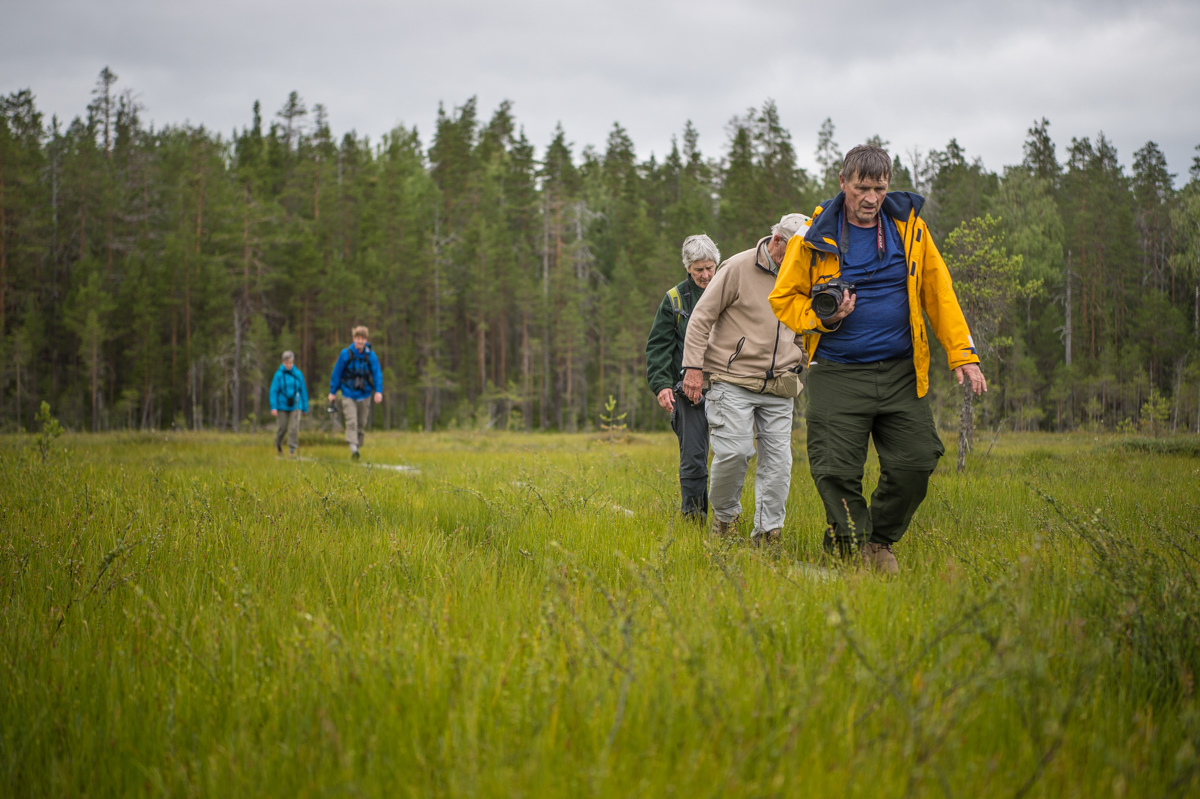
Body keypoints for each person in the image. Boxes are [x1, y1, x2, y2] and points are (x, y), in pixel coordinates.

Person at [769, 144, 987, 575]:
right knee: (835, 469)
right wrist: (823, 317)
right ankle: (849, 548)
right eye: (862, 188)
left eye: (880, 188)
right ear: (843, 182)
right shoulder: (812, 237)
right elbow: (783, 298)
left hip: (901, 371)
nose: (870, 198)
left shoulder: (911, 229)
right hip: (837, 371)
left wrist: (963, 354)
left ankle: (879, 539)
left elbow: (938, 293)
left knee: (917, 460)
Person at [680, 214, 810, 545]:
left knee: (779, 464)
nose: (803, 258)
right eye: (797, 250)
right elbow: (700, 319)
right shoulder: (737, 268)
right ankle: (724, 521)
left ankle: (768, 534)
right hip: (731, 379)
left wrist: (800, 358)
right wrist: (694, 368)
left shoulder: (804, 274)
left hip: (780, 383)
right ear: (778, 241)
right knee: (735, 453)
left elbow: (803, 325)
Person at [645, 234, 720, 521]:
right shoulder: (674, 299)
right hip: (688, 391)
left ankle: (725, 518)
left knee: (731, 456)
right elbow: (658, 346)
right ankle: (693, 519)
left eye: (710, 267)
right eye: (699, 269)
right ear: (687, 267)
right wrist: (661, 385)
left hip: (729, 386)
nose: (705, 275)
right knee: (692, 459)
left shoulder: (729, 289)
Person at [327, 325, 383, 461]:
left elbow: (377, 374)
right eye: (358, 338)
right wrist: (333, 392)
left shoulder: (370, 355)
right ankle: (353, 450)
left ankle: (357, 446)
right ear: (354, 339)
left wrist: (378, 391)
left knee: (361, 424)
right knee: (351, 422)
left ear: (366, 340)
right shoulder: (345, 354)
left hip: (365, 394)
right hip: (348, 393)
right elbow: (337, 373)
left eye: (363, 338)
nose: (360, 341)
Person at [270, 350, 309, 456]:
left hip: (296, 405)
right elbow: (273, 391)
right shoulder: (278, 375)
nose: (288, 365)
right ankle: (278, 445)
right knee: (282, 428)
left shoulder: (298, 374)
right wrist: (273, 407)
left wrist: (305, 407)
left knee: (294, 428)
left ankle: (292, 450)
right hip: (282, 405)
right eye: (286, 363)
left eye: (290, 362)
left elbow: (303, 391)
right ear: (283, 362)